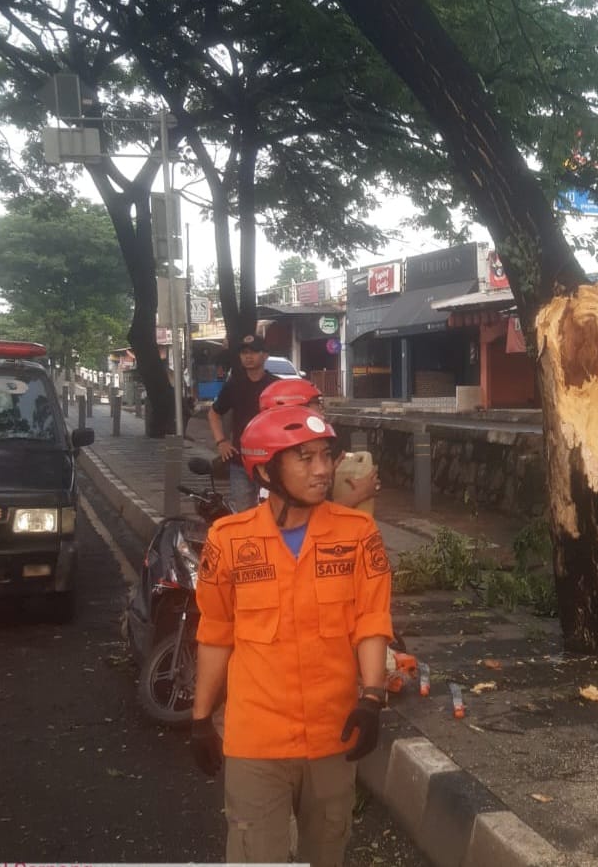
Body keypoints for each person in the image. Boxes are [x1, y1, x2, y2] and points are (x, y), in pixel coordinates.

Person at [190, 405, 394, 867]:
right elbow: (216, 633)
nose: (323, 469)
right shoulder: (228, 541)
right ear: (265, 468)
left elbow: (371, 620)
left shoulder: (358, 534)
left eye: (325, 455)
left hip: (333, 735)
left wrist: (372, 698)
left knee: (328, 854)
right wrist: (201, 718)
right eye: (304, 458)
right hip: (256, 741)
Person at [257, 379, 381, 509]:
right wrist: (360, 494)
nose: (322, 411)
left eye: (325, 455)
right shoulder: (280, 458)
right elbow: (309, 516)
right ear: (296, 407)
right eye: (306, 458)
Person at [207, 334, 278, 510]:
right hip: (241, 463)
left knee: (272, 513)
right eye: (244, 352)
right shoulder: (234, 385)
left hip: (271, 463)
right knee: (242, 515)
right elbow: (214, 413)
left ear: (265, 355)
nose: (248, 356)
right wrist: (221, 442)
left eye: (254, 352)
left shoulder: (276, 386)